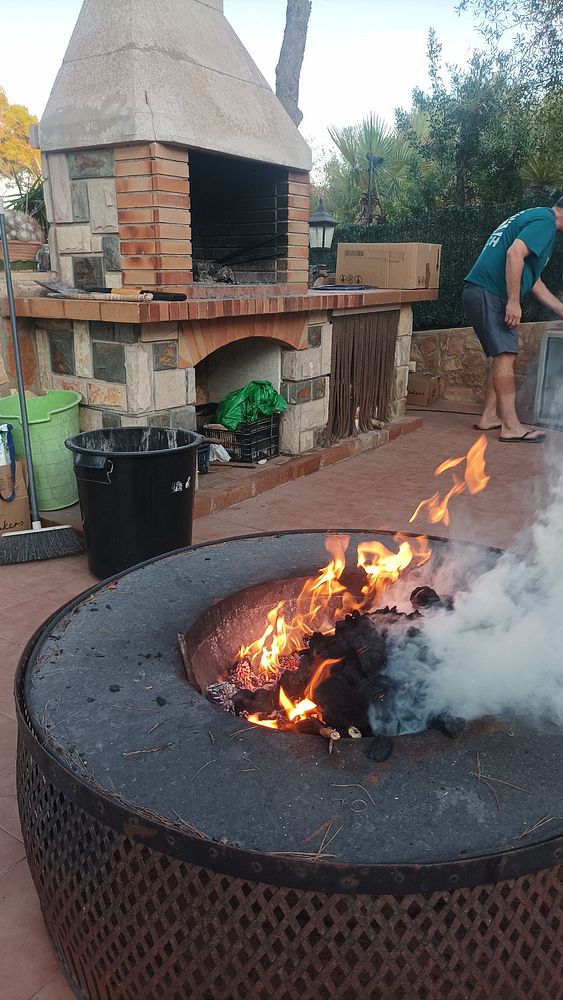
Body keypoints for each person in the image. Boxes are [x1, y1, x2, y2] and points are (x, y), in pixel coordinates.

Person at [463, 197, 563, 442]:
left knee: (501, 355)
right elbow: (514, 253)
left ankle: (489, 416)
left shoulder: (537, 217)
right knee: (506, 355)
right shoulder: (545, 223)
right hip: (490, 292)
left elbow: (534, 281)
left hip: (480, 291)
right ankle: (511, 427)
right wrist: (513, 301)